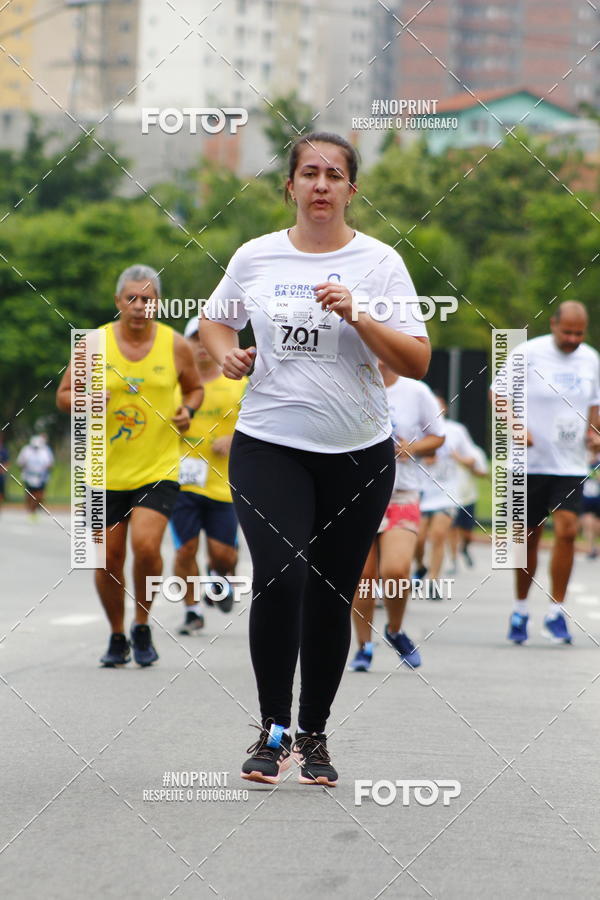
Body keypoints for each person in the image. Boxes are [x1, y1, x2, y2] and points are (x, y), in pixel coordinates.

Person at [201, 132, 430, 786]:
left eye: (334, 174)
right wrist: (227, 354)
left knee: (331, 594)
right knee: (282, 577)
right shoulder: (257, 256)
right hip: (269, 442)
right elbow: (216, 322)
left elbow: (415, 360)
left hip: (357, 454)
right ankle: (272, 731)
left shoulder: (379, 263)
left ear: (351, 190)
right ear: (292, 186)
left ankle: (315, 734)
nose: (322, 184)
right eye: (310, 173)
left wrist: (359, 314)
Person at [57, 265, 202, 667]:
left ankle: (142, 623)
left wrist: (188, 410)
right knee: (107, 558)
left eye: (148, 299)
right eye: (132, 299)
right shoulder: (93, 343)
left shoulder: (175, 345)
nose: (140, 306)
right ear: (118, 301)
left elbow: (195, 387)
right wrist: (83, 401)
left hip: (157, 468)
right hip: (101, 470)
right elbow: (63, 396)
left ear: (158, 303)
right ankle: (118, 635)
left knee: (145, 545)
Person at [491, 302, 600, 645]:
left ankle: (557, 612)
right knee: (527, 539)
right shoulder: (528, 352)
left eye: (579, 333)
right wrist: (514, 426)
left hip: (569, 464)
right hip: (529, 463)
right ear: (553, 324)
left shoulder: (590, 358)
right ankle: (521, 608)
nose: (572, 339)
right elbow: (498, 394)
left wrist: (594, 433)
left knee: (567, 531)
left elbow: (594, 403)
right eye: (566, 331)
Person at [349, 364, 445, 672]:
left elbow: (438, 436)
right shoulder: (348, 384)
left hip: (401, 493)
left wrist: (411, 447)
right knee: (362, 579)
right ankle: (363, 646)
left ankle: (394, 630)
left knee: (396, 572)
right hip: (356, 494)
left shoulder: (415, 391)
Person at [172, 316, 247, 634]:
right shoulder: (174, 387)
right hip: (181, 482)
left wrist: (236, 439)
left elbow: (262, 423)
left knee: (222, 554)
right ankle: (192, 611)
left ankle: (222, 574)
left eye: (205, 340)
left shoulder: (238, 384)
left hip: (223, 485)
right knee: (185, 549)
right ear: (185, 345)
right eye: (194, 340)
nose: (201, 348)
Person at [414, 396, 475, 586]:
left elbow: (471, 459)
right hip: (421, 493)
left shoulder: (456, 431)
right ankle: (420, 565)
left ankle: (433, 580)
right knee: (418, 539)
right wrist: (421, 454)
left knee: (438, 535)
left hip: (447, 494)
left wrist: (456, 457)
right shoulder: (417, 429)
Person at [448, 439, 488, 573]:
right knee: (452, 529)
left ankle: (464, 547)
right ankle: (453, 562)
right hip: (450, 499)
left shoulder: (475, 452)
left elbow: (483, 473)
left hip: (468, 498)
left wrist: (466, 463)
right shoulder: (447, 450)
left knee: (467, 534)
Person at [16, 434, 54, 519]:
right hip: (29, 476)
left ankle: (35, 508)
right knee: (29, 494)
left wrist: (46, 469)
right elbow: (20, 463)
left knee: (39, 495)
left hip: (41, 477)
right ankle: (30, 510)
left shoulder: (45, 450)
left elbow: (50, 463)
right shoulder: (26, 450)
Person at [581, 450, 600, 559]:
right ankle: (591, 547)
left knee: (589, 522)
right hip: (590, 495)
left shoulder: (585, 463)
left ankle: (591, 547)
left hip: (590, 495)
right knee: (592, 521)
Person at [0, 435, 9, 514]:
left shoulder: (4, 451)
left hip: (0, 474)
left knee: (1, 492)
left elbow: (6, 463)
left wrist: (2, 470)